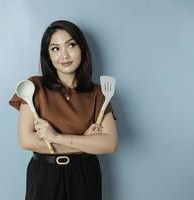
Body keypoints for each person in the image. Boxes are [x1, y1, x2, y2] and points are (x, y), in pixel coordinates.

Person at [9, 20, 118, 200]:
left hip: (85, 175)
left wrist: (56, 138)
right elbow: (26, 140)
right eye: (55, 49)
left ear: (82, 49)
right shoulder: (33, 87)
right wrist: (84, 143)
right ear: (48, 56)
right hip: (44, 175)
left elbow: (110, 144)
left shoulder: (99, 93)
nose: (64, 55)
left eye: (71, 45)